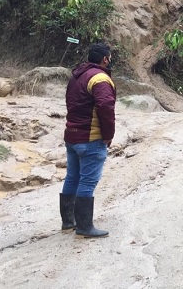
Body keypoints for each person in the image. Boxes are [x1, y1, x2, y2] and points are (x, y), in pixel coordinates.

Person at [59, 43, 116, 238]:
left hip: (71, 136)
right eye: (110, 57)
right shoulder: (100, 78)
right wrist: (108, 135)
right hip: (90, 138)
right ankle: (84, 227)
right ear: (105, 59)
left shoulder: (77, 76)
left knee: (72, 178)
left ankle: (68, 222)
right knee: (88, 181)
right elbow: (106, 106)